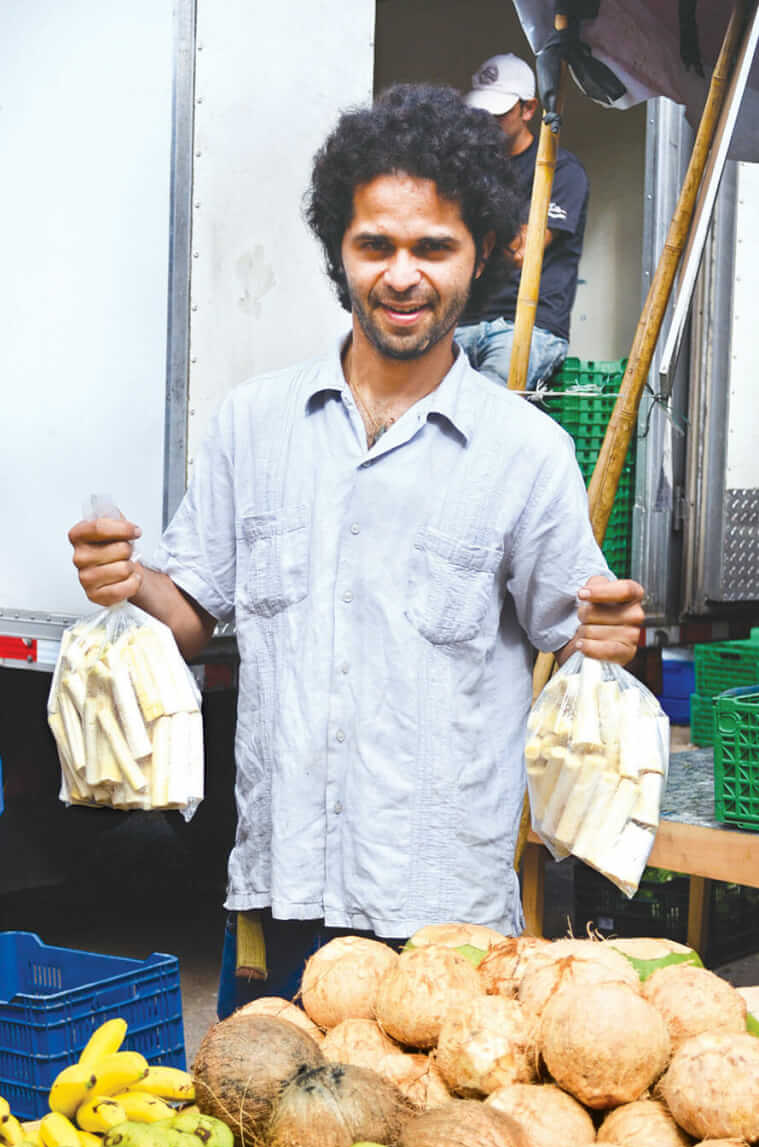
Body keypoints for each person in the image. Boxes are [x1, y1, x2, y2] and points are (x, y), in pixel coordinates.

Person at [68, 84, 644, 1017]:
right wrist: (131, 582)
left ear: (484, 254)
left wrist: (607, 633)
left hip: (444, 930)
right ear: (339, 249)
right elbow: (189, 618)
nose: (402, 274)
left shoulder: (526, 451)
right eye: (375, 244)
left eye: (433, 247)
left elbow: (574, 635)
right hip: (276, 908)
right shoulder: (252, 424)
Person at [455, 52, 590, 389]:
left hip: (527, 326)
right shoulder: (464, 167)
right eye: (479, 113)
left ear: (528, 109)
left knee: (483, 404)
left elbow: (522, 252)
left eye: (497, 114)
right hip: (459, 320)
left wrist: (464, 232)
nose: (485, 123)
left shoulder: (561, 171)